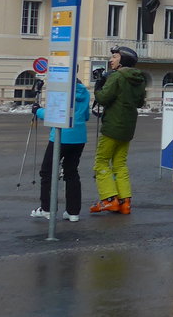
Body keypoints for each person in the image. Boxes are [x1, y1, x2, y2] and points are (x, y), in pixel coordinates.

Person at [90, 46, 147, 214]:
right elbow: (139, 103)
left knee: (101, 162)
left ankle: (109, 199)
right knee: (120, 164)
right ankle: (124, 201)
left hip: (112, 126)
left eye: (114, 57)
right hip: (128, 128)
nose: (111, 60)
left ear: (122, 61)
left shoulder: (117, 77)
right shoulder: (139, 79)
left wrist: (98, 86)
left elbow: (103, 98)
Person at [31, 78, 90, 221]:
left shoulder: (61, 90)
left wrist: (37, 111)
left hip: (61, 136)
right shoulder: (84, 91)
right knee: (71, 172)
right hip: (79, 136)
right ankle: (73, 211)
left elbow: (53, 114)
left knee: (47, 172)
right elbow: (86, 116)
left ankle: (47, 208)